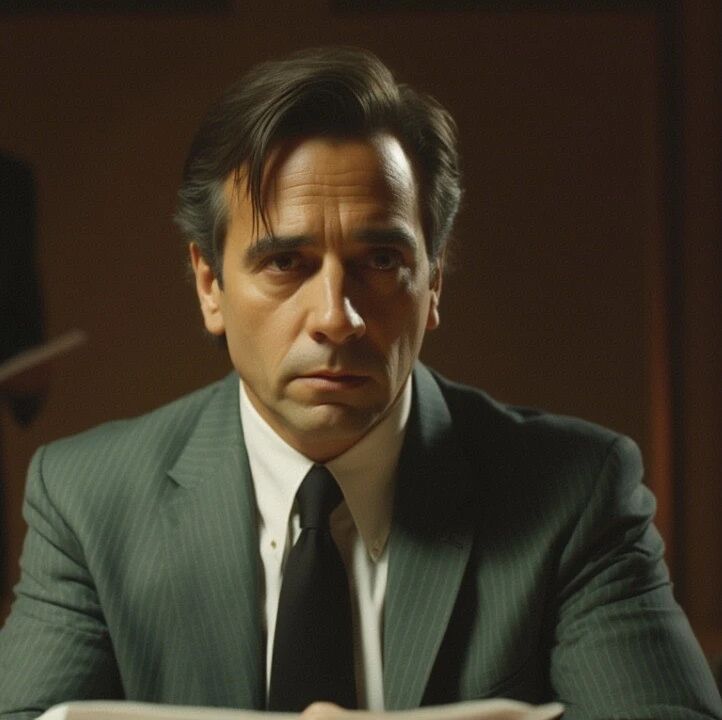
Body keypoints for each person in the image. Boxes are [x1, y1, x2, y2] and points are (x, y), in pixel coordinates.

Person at [0, 47, 720, 720]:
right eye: (285, 263)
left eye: (380, 261)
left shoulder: (575, 493)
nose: (336, 318)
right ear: (209, 285)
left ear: (433, 283)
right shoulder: (89, 501)